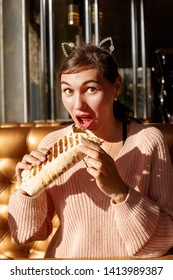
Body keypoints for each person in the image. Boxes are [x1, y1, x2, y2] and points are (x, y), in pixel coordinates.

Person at [8, 39, 173, 259]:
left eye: (91, 89)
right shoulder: (52, 144)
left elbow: (165, 238)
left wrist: (121, 192)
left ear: (116, 87)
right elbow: (27, 235)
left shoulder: (148, 141)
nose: (78, 105)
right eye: (68, 91)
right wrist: (28, 189)